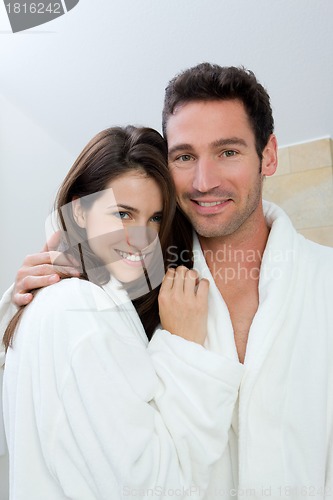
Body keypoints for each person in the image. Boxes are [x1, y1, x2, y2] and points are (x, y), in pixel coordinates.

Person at [2, 63, 333, 497]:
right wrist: (20, 301)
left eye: (228, 152)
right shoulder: (132, 285)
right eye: (184, 157)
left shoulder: (324, 282)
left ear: (268, 155)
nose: (204, 181)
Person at [0, 125, 243, 499]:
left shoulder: (79, 303)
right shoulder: (81, 314)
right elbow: (158, 489)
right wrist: (183, 348)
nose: (142, 239)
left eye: (155, 218)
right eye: (124, 214)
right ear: (79, 211)